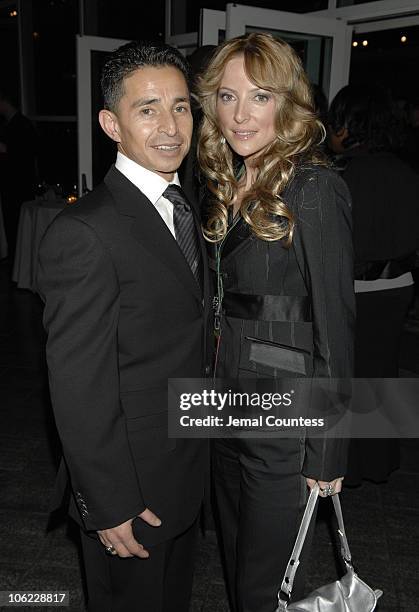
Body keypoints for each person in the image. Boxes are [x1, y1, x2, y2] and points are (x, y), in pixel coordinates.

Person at [36, 41, 211, 612]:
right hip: (131, 488)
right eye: (148, 108)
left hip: (184, 468)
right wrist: (108, 503)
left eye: (181, 107)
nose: (170, 126)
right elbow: (77, 385)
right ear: (111, 123)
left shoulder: (185, 206)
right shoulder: (85, 231)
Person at [197, 33, 354, 612]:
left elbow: (336, 322)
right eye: (227, 96)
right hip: (223, 403)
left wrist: (329, 449)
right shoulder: (224, 181)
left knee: (266, 579)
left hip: (285, 412)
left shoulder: (312, 186)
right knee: (239, 562)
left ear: (286, 103)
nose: (240, 116)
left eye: (259, 97)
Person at [328, 84, 419, 485]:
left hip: (356, 289)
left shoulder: (341, 175)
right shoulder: (407, 171)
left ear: (352, 123)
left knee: (347, 378)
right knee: (380, 372)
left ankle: (350, 465)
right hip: (399, 286)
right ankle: (378, 461)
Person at [0, 89, 38, 259]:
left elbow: (25, 156)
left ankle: (18, 262)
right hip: (12, 184)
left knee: (18, 225)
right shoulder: (9, 125)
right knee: (11, 224)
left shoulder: (21, 125)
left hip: (18, 185)